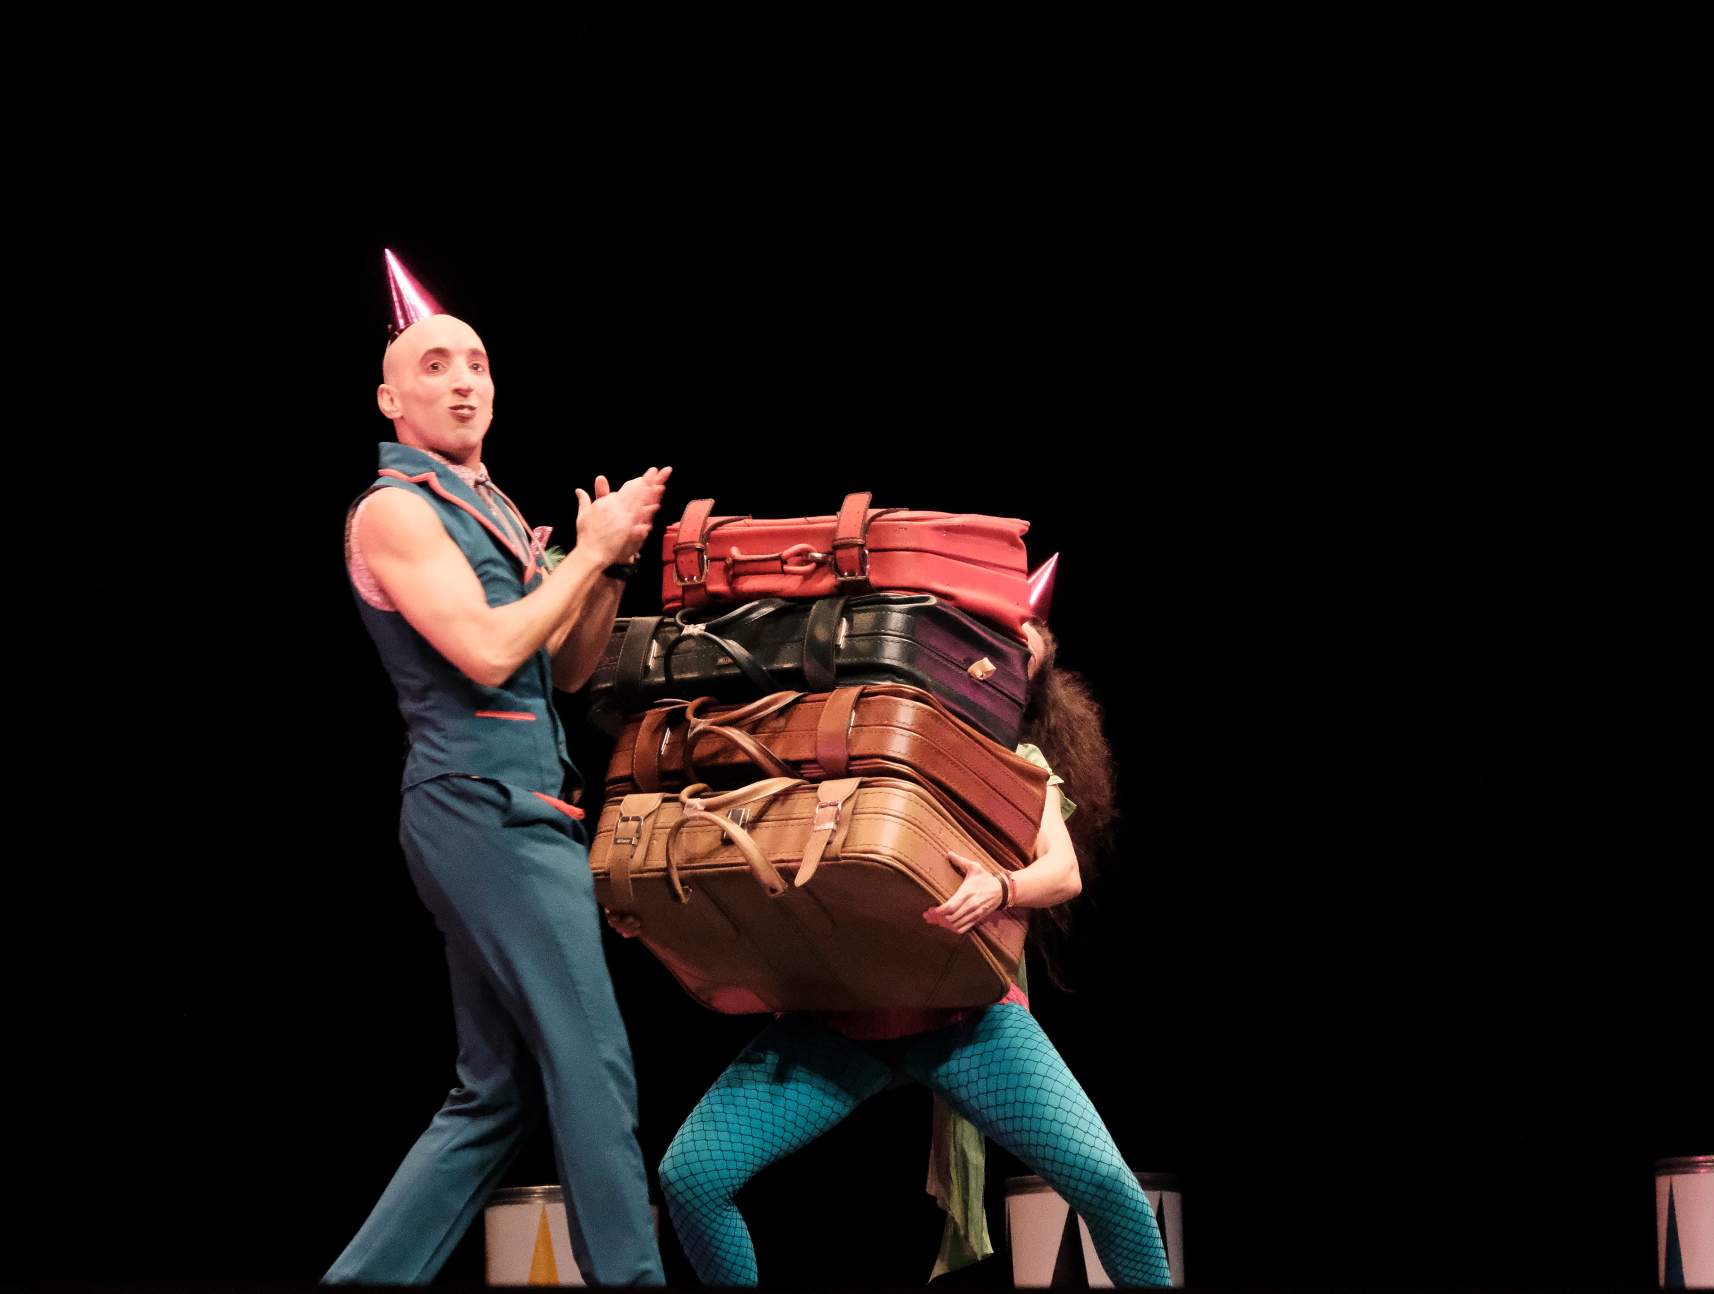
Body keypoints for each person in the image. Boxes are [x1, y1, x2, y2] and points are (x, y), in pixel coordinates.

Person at [610, 610, 1173, 1287]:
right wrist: (662, 910)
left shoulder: (1014, 761)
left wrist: (1001, 886)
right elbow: (746, 852)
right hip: (838, 1020)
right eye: (991, 648)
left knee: (1108, 1186)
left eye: (1017, 664)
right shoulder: (848, 730)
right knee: (692, 1177)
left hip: (964, 1021)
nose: (995, 668)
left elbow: (1063, 872)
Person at [325, 255, 670, 1285]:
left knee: (497, 1092)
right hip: (481, 806)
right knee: (592, 1063)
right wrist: (582, 554)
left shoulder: (493, 508)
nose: (463, 381)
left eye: (475, 362)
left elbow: (563, 667)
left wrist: (607, 563)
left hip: (519, 803)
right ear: (391, 400)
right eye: (434, 366)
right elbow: (483, 651)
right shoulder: (394, 509)